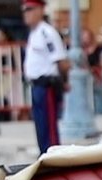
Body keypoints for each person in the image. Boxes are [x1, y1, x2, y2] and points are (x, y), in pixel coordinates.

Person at [22, 0, 69, 154]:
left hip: (47, 85)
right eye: (24, 10)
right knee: (41, 128)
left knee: (49, 130)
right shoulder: (34, 33)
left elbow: (60, 60)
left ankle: (54, 159)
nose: (26, 14)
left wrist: (65, 81)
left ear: (41, 10)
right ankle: (44, 156)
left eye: (30, 9)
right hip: (36, 86)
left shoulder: (47, 32)